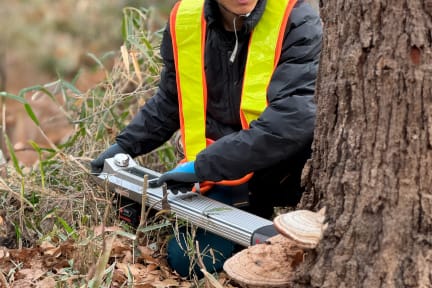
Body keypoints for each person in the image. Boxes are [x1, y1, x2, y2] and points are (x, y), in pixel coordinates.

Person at [91, 0, 322, 278]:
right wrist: (126, 144)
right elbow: (170, 99)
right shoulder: (186, 19)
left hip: (283, 170)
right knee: (189, 259)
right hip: (223, 173)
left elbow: (293, 121)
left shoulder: (297, 18)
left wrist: (202, 166)